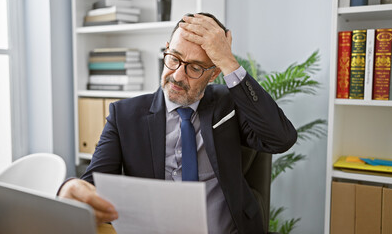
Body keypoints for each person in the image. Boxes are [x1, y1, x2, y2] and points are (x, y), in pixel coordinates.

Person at [59, 12, 297, 234]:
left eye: (195, 67)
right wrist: (68, 189)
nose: (178, 76)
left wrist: (228, 62)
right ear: (166, 51)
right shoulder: (124, 116)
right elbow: (91, 186)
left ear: (214, 73)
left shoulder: (230, 104)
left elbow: (281, 138)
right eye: (174, 58)